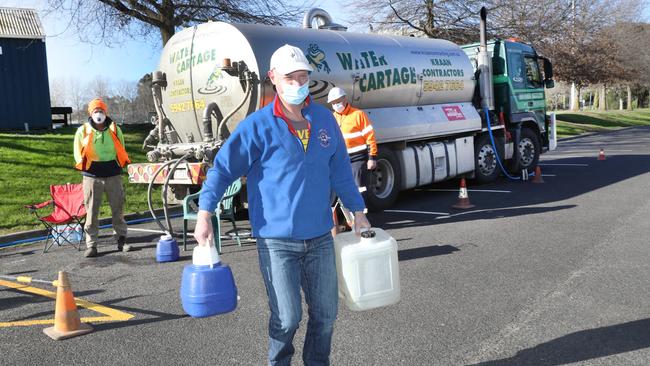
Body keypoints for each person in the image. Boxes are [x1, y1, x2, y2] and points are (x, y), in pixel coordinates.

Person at [194, 44, 371, 365]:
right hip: (276, 242)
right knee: (287, 318)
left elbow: (341, 170)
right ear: (273, 78)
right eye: (290, 77)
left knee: (326, 315)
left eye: (303, 76)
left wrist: (357, 212)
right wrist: (204, 213)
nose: (298, 83)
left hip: (319, 237)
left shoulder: (325, 120)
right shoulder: (257, 126)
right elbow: (222, 169)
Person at [73, 98, 131, 258]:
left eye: (101, 111)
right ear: (91, 114)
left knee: (118, 209)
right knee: (91, 212)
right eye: (95, 111)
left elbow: (122, 147)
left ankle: (121, 240)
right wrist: (86, 168)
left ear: (106, 113)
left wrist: (118, 167)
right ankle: (91, 245)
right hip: (92, 176)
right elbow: (77, 152)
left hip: (113, 174)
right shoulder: (82, 130)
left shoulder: (115, 129)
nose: (99, 114)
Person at [327, 87, 378, 233]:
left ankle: (362, 221)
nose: (336, 105)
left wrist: (372, 157)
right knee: (340, 190)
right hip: (340, 160)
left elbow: (370, 137)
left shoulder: (358, 115)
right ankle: (349, 222)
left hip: (358, 158)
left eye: (338, 101)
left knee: (358, 189)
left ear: (344, 99)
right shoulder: (332, 117)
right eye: (333, 103)